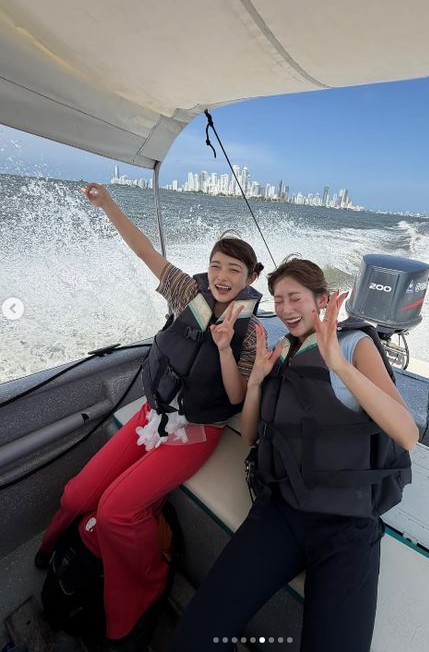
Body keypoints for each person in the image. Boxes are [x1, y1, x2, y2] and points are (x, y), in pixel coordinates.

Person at [35, 183, 264, 651]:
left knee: (115, 512)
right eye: (216, 265)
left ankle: (140, 596)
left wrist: (224, 346)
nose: (221, 276)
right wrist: (108, 204)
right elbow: (145, 251)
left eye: (234, 270)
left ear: (250, 277)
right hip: (153, 413)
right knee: (77, 493)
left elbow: (236, 395)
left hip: (195, 431)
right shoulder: (188, 293)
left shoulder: (252, 332)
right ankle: (51, 546)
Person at [169, 258, 419, 652]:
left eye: (295, 298)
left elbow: (407, 434)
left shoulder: (354, 345)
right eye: (278, 299)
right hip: (281, 513)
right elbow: (250, 435)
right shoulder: (283, 351)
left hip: (346, 525)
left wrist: (338, 364)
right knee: (197, 634)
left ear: (322, 300)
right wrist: (255, 383)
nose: (285, 309)